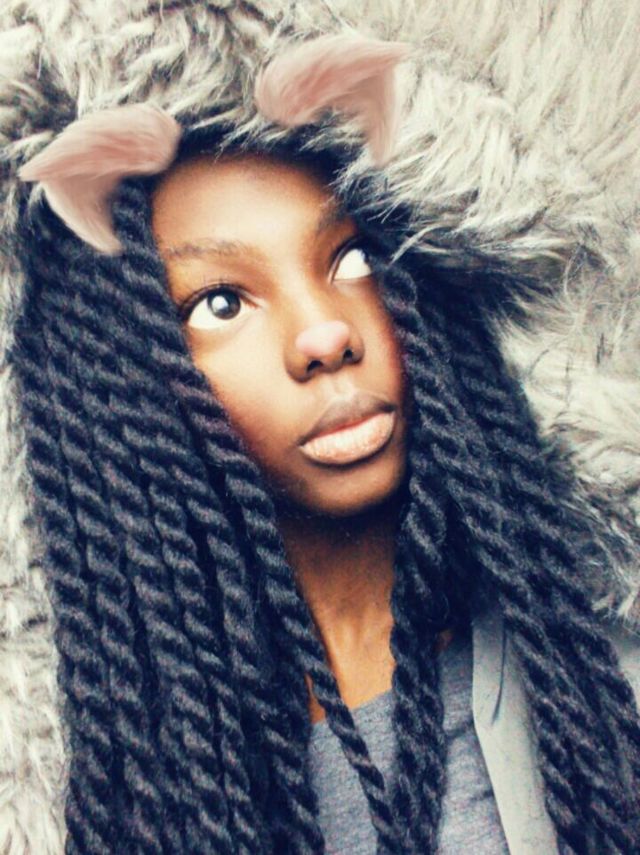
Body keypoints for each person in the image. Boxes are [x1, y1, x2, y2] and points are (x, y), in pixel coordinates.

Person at [1, 2, 639, 854]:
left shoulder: (590, 669)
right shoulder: (139, 777)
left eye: (352, 258)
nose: (325, 335)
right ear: (118, 384)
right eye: (220, 302)